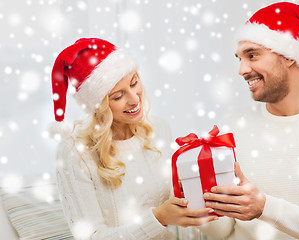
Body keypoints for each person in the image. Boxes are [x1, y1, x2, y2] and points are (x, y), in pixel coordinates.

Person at [198, 2, 299, 240]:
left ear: (289, 57)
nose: (242, 69)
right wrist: (197, 200)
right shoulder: (234, 125)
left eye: (252, 55)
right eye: (239, 58)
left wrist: (264, 207)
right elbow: (222, 231)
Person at [50, 38, 217, 240]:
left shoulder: (158, 129)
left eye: (134, 83)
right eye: (118, 96)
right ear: (98, 105)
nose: (134, 99)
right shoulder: (76, 153)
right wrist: (158, 218)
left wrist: (192, 181)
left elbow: (169, 200)